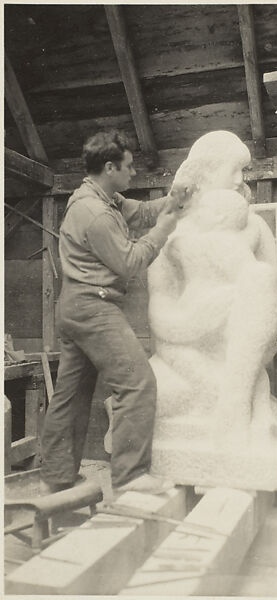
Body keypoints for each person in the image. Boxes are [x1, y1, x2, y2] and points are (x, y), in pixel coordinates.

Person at [40, 129, 190, 496]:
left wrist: (172, 201)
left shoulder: (100, 196)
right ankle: (131, 476)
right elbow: (131, 262)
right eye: (128, 167)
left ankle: (57, 478)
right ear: (110, 167)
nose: (134, 172)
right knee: (138, 383)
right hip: (94, 307)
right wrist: (165, 230)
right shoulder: (94, 214)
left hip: (75, 305)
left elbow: (139, 211)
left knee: (71, 396)